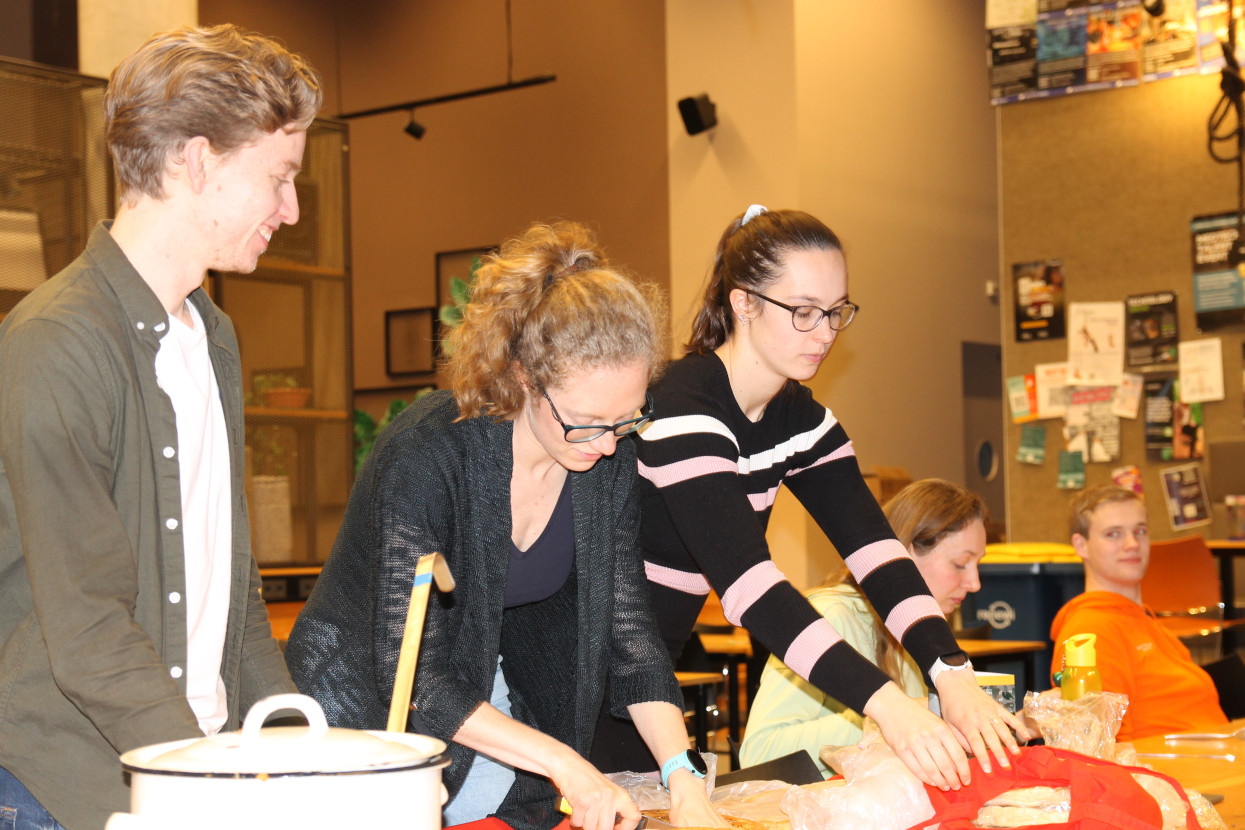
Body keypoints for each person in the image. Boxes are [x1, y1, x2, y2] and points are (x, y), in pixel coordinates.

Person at [285, 222, 724, 830]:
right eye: (587, 421)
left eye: (627, 420)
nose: (606, 445)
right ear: (523, 377)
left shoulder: (605, 457)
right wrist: (565, 763)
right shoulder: (428, 456)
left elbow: (629, 633)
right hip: (358, 710)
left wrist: (684, 777)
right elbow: (415, 680)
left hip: (477, 693)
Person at [0, 25, 321, 830]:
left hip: (185, 769)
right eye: (279, 178)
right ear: (199, 160)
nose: (289, 210)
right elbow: (88, 628)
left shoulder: (211, 335)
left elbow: (231, 580)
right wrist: (207, 788)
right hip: (68, 791)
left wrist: (290, 742)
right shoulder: (60, 341)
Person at [590, 205, 1028, 790]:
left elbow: (876, 552)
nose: (823, 332)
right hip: (572, 662)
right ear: (743, 302)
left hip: (643, 674)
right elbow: (751, 588)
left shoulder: (802, 421)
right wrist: (889, 704)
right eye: (802, 312)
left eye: (835, 312)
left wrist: (952, 673)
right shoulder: (682, 407)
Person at [739, 479, 989, 775]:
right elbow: (759, 752)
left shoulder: (928, 632)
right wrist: (890, 717)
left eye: (978, 565)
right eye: (960, 564)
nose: (975, 583)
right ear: (903, 557)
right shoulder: (831, 615)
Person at [1050, 485, 1227, 742]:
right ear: (1081, 545)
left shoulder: (1145, 623)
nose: (1132, 544)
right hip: (1181, 773)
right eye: (1113, 534)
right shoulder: (1091, 632)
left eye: (1140, 531)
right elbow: (1103, 748)